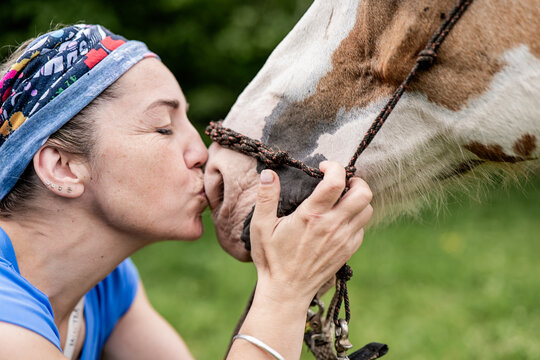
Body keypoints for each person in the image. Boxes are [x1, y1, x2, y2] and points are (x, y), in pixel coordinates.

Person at [0, 25, 374, 360]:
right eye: (163, 128)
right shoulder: (7, 332)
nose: (200, 153)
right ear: (61, 167)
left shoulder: (102, 286)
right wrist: (286, 290)